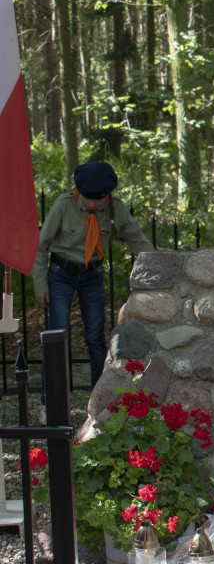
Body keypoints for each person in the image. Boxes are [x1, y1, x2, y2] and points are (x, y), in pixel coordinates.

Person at [32, 161, 154, 392]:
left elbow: (137, 240)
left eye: (97, 199)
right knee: (57, 336)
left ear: (107, 195)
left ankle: (99, 395)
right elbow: (41, 245)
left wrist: (158, 265)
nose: (91, 203)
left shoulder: (115, 208)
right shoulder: (63, 205)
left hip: (93, 274)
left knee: (96, 337)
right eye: (87, 198)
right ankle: (51, 399)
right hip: (61, 274)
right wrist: (40, 283)